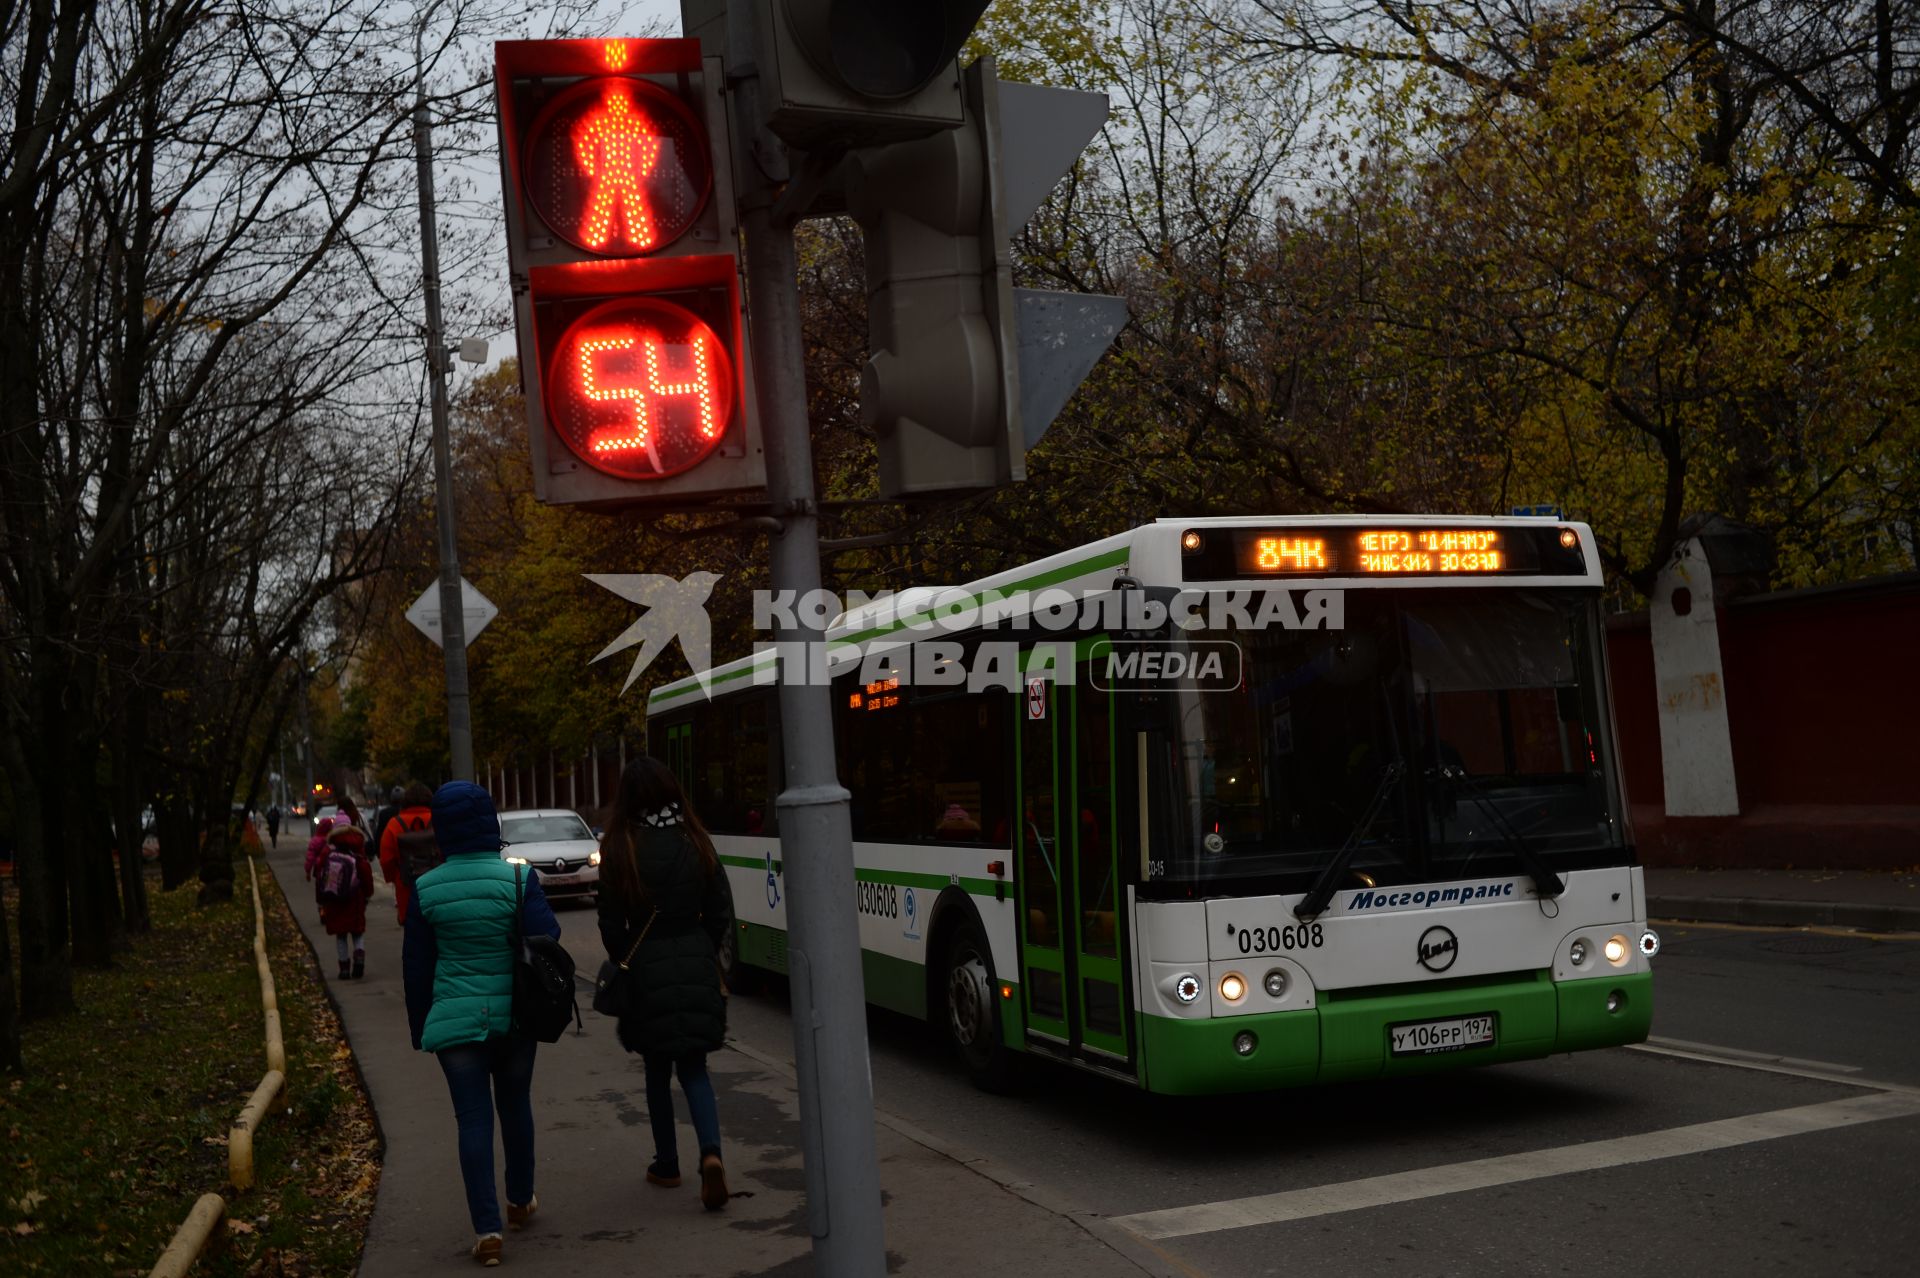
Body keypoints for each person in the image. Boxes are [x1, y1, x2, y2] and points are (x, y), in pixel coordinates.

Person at [403, 781, 560, 1267]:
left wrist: (420, 1029)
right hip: (516, 1018)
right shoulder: (518, 879)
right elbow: (548, 936)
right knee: (515, 1106)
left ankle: (487, 1230)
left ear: (441, 831)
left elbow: (417, 968)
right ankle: (520, 1200)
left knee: (472, 1120)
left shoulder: (425, 889)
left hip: (454, 1024)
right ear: (490, 822)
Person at [596, 756, 735, 1211]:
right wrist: (701, 948)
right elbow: (720, 909)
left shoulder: (620, 846)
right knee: (694, 1068)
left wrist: (625, 959)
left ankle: (668, 1164)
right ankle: (711, 1153)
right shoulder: (695, 838)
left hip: (646, 964)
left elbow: (610, 920)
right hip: (694, 955)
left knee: (657, 1069)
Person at [316, 819, 374, 979]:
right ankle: (359, 959)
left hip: (334, 901)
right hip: (355, 900)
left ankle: (344, 968)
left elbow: (321, 877)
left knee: (340, 935)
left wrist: (321, 900)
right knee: (357, 932)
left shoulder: (329, 855)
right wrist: (368, 895)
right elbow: (367, 879)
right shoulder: (358, 858)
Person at [378, 782, 436, 926]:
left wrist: (397, 878)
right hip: (438, 890)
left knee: (413, 940)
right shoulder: (438, 820)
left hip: (407, 891)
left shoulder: (394, 825)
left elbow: (386, 861)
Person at [371, 785, 404, 860]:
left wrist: (378, 852)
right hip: (405, 852)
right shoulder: (406, 812)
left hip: (389, 851)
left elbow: (380, 833)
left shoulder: (384, 813)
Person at [304, 816, 335, 881]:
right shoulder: (332, 840)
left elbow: (310, 857)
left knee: (319, 886)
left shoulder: (315, 841)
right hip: (332, 869)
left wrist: (308, 871)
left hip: (319, 869)